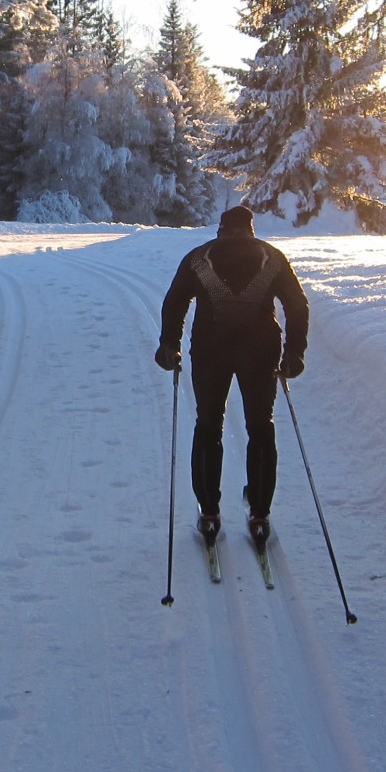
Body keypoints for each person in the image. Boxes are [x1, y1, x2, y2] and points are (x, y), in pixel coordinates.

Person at [156, 205, 309, 547]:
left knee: (209, 425)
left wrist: (169, 344)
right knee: (261, 426)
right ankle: (259, 513)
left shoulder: (200, 257)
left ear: (221, 228)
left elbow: (175, 302)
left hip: (211, 351)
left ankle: (209, 511)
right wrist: (294, 351)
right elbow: (297, 305)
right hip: (261, 352)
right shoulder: (271, 257)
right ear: (251, 229)